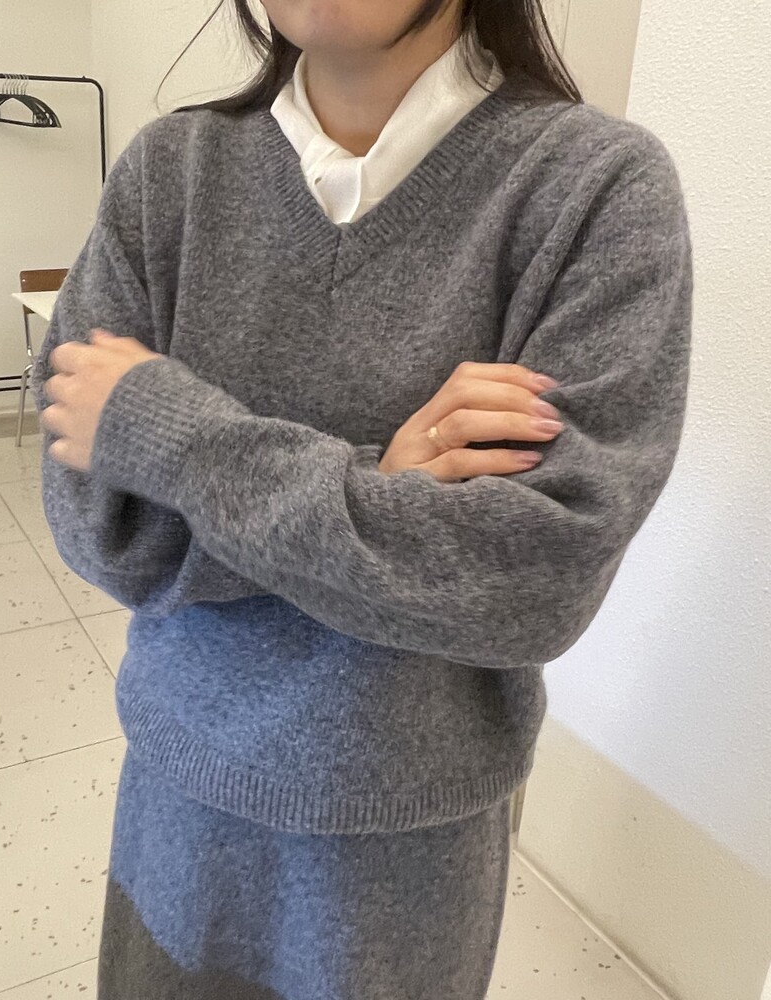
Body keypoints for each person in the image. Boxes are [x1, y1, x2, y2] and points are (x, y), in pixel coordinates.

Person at [34, 0, 694, 997]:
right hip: (178, 795)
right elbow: (101, 527)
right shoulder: (169, 172)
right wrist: (382, 484)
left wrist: (170, 435)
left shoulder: (592, 185)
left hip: (406, 852)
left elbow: (531, 584)